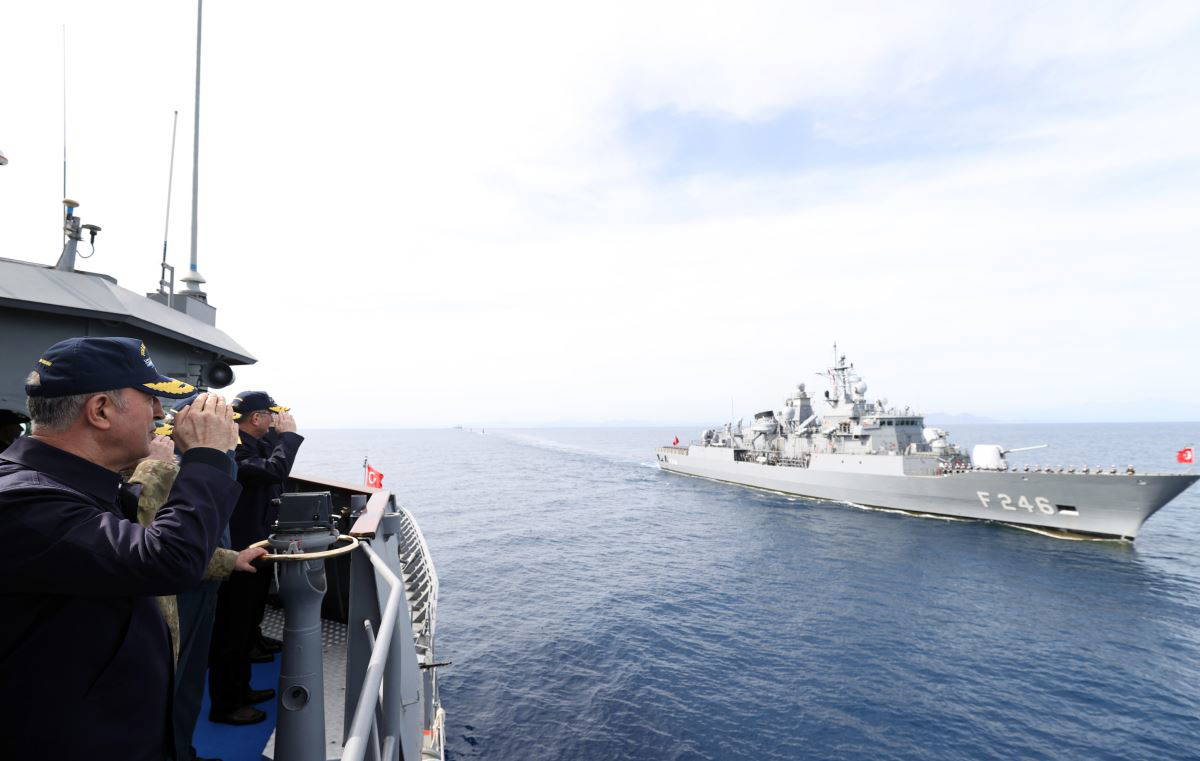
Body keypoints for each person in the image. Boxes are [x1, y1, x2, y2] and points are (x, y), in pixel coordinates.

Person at [0, 336, 241, 761]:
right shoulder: (21, 501)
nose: (160, 413)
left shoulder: (75, 486)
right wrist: (207, 457)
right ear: (100, 410)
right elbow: (167, 560)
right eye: (150, 399)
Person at [125, 428, 268, 761]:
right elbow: (144, 540)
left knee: (186, 686)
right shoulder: (142, 468)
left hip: (192, 585)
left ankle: (183, 751)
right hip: (166, 600)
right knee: (166, 693)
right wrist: (154, 469)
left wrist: (229, 560)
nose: (157, 413)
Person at [207, 390, 303, 725]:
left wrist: (276, 434)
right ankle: (226, 705)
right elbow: (273, 470)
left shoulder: (253, 444)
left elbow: (271, 460)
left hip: (255, 547)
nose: (275, 420)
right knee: (231, 633)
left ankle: (242, 690)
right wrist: (288, 436)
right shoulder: (234, 449)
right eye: (270, 416)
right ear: (257, 418)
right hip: (236, 553)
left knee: (245, 627)